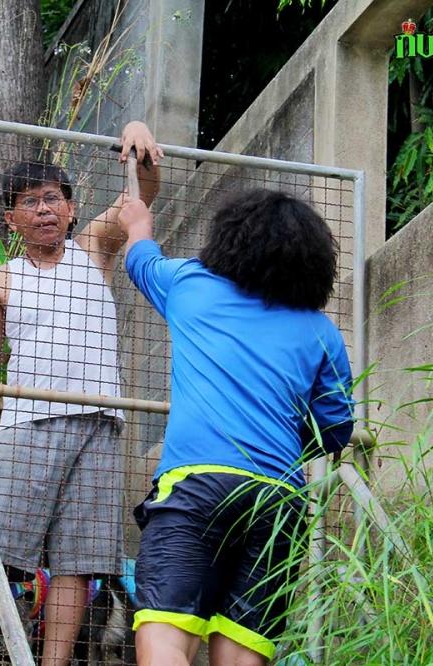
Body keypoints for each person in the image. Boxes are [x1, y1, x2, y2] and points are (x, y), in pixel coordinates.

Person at [0, 121, 162, 666]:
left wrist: (136, 133)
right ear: (12, 218)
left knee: (78, 561)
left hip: (101, 427)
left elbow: (141, 196)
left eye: (53, 198)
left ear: (70, 208)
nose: (43, 209)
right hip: (28, 425)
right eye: (29, 201)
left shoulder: (93, 251)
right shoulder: (1, 277)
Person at [117, 188, 355, 666]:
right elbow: (336, 428)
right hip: (278, 502)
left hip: (196, 490)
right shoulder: (320, 330)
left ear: (229, 239)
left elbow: (139, 258)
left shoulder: (190, 285)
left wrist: (138, 221)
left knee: (163, 644)